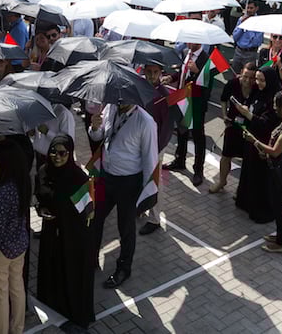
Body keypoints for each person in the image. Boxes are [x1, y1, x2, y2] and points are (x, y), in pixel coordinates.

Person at [87, 102, 158, 289]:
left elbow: (150, 159)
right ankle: (91, 259)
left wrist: (146, 194)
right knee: (95, 218)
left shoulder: (145, 122)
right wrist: (94, 127)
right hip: (106, 176)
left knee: (125, 227)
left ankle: (124, 268)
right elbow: (99, 135)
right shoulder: (110, 108)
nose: (120, 98)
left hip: (129, 183)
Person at [35, 136, 95, 332]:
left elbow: (87, 212)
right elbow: (40, 197)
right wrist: (41, 210)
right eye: (53, 152)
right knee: (51, 267)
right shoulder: (44, 172)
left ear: (70, 154)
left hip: (72, 236)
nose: (57, 157)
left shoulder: (79, 178)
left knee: (70, 270)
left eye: (62, 153)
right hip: (51, 233)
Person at [0, 139, 30, 334]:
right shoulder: (22, 182)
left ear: (4, 162)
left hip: (1, 251)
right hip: (19, 245)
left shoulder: (2, 193)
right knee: (17, 288)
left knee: (0, 294)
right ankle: (17, 329)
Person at [243, 90, 282, 253]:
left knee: (279, 207)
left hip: (281, 174)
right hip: (276, 169)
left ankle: (281, 243)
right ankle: (279, 235)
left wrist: (254, 141)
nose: (275, 109)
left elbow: (275, 151)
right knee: (278, 205)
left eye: (278, 107)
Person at [234, 66, 281, 223]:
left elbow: (266, 123)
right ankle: (245, 201)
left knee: (260, 177)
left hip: (263, 143)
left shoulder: (274, 100)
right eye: (257, 79)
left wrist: (248, 114)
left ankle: (260, 208)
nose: (258, 83)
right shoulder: (257, 92)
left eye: (262, 80)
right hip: (251, 139)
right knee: (248, 171)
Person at [162, 42, 211, 187]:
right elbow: (183, 71)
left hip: (196, 104)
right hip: (182, 99)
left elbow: (207, 84)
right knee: (181, 131)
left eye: (192, 40)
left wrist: (196, 71)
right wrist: (172, 78)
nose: (189, 43)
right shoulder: (186, 53)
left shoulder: (206, 59)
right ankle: (179, 160)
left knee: (197, 136)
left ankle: (198, 170)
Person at [210, 63, 257, 193]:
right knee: (226, 155)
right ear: (241, 72)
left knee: (247, 159)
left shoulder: (257, 88)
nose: (248, 81)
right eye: (245, 76)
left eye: (251, 78)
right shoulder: (232, 84)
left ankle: (241, 189)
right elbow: (224, 99)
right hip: (232, 125)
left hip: (249, 128)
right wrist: (225, 115)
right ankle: (221, 181)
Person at [140, 63, 172, 234]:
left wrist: (157, 150)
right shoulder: (140, 87)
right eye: (149, 72)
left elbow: (167, 128)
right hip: (139, 144)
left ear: (161, 73)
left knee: (155, 181)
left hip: (155, 146)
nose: (152, 75)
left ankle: (154, 218)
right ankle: (140, 207)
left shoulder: (164, 96)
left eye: (155, 72)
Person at [231, 0, 263, 73]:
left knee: (248, 76)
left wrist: (249, 27)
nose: (249, 10)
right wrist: (242, 25)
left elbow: (257, 42)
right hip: (238, 51)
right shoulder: (241, 19)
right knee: (234, 74)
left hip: (250, 53)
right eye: (247, 8)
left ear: (256, 8)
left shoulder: (259, 22)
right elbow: (235, 37)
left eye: (251, 8)